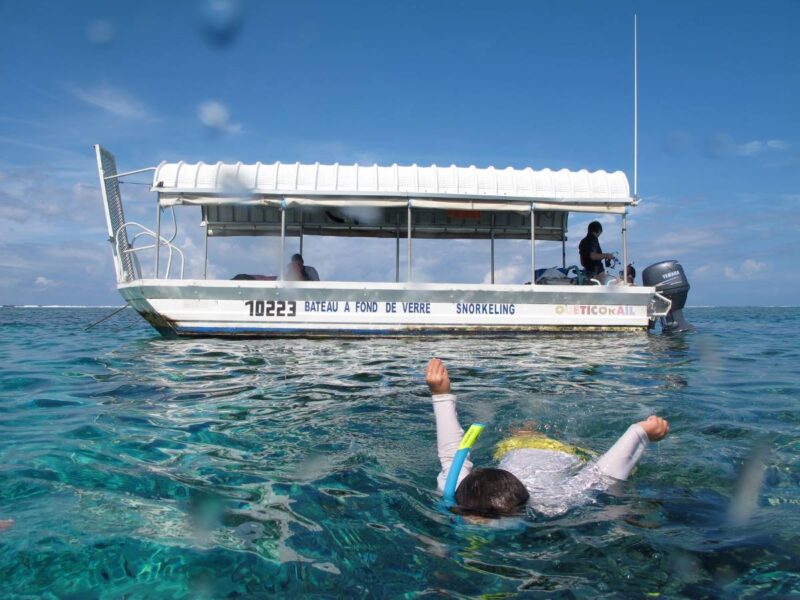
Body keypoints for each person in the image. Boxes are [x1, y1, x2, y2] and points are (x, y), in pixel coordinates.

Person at [425, 358, 669, 517]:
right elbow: (605, 472)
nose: (478, 528)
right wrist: (640, 432)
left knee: (545, 442)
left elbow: (453, 455)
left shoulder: (551, 502)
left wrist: (441, 395)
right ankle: (528, 426)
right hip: (518, 449)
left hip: (555, 453)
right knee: (524, 437)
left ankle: (530, 420)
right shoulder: (458, 492)